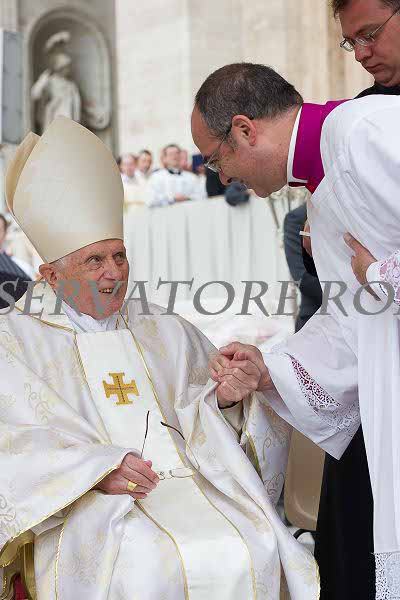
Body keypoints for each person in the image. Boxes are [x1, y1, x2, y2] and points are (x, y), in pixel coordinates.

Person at [0, 116, 320, 600]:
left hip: (194, 487)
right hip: (86, 504)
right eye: (94, 261)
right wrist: (95, 471)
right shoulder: (15, 341)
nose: (113, 273)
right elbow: (13, 446)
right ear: (50, 275)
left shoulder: (162, 327)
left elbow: (208, 415)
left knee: (250, 544)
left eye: (119, 256)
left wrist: (229, 399)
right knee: (147, 563)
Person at [192, 61, 400, 599]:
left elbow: (377, 286)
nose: (222, 179)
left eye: (215, 160)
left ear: (244, 130)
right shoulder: (321, 184)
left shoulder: (368, 130)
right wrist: (272, 369)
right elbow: (354, 319)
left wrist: (384, 274)